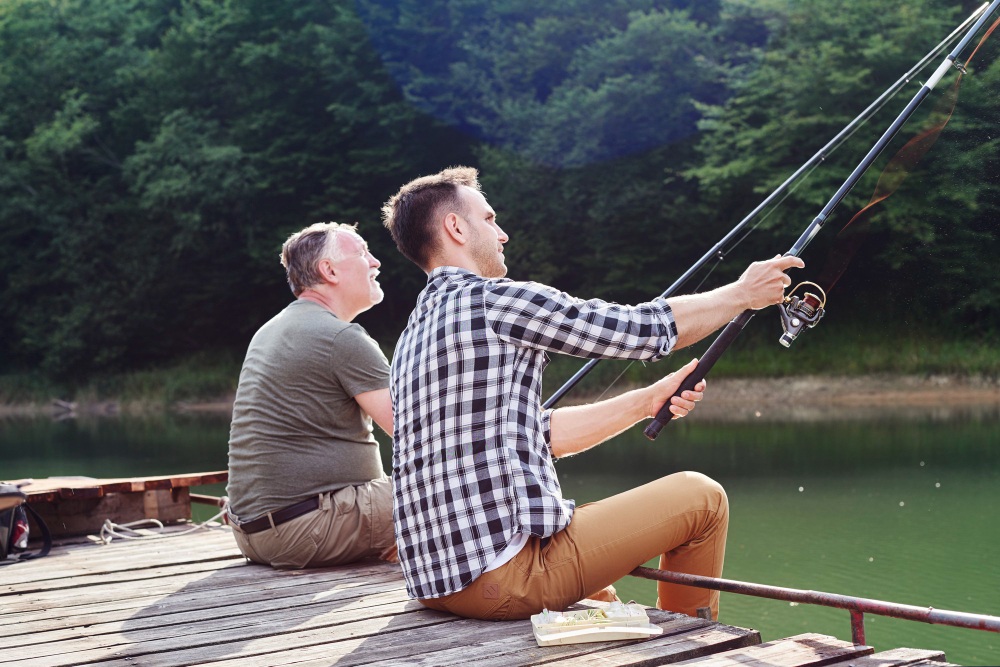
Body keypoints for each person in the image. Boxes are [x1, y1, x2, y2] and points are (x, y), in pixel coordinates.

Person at [381, 167, 803, 621]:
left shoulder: (413, 336)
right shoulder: (493, 301)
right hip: (501, 578)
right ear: (456, 228)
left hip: (435, 585)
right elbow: (643, 331)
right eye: (489, 220)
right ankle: (695, 643)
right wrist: (741, 294)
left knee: (602, 593)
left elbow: (535, 433)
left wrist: (647, 400)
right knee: (703, 498)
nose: (501, 234)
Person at [226, 222, 397, 569]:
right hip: (304, 529)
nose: (376, 262)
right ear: (329, 270)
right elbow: (419, 434)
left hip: (252, 535)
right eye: (363, 253)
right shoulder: (341, 337)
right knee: (457, 481)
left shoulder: (270, 330)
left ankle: (389, 537)